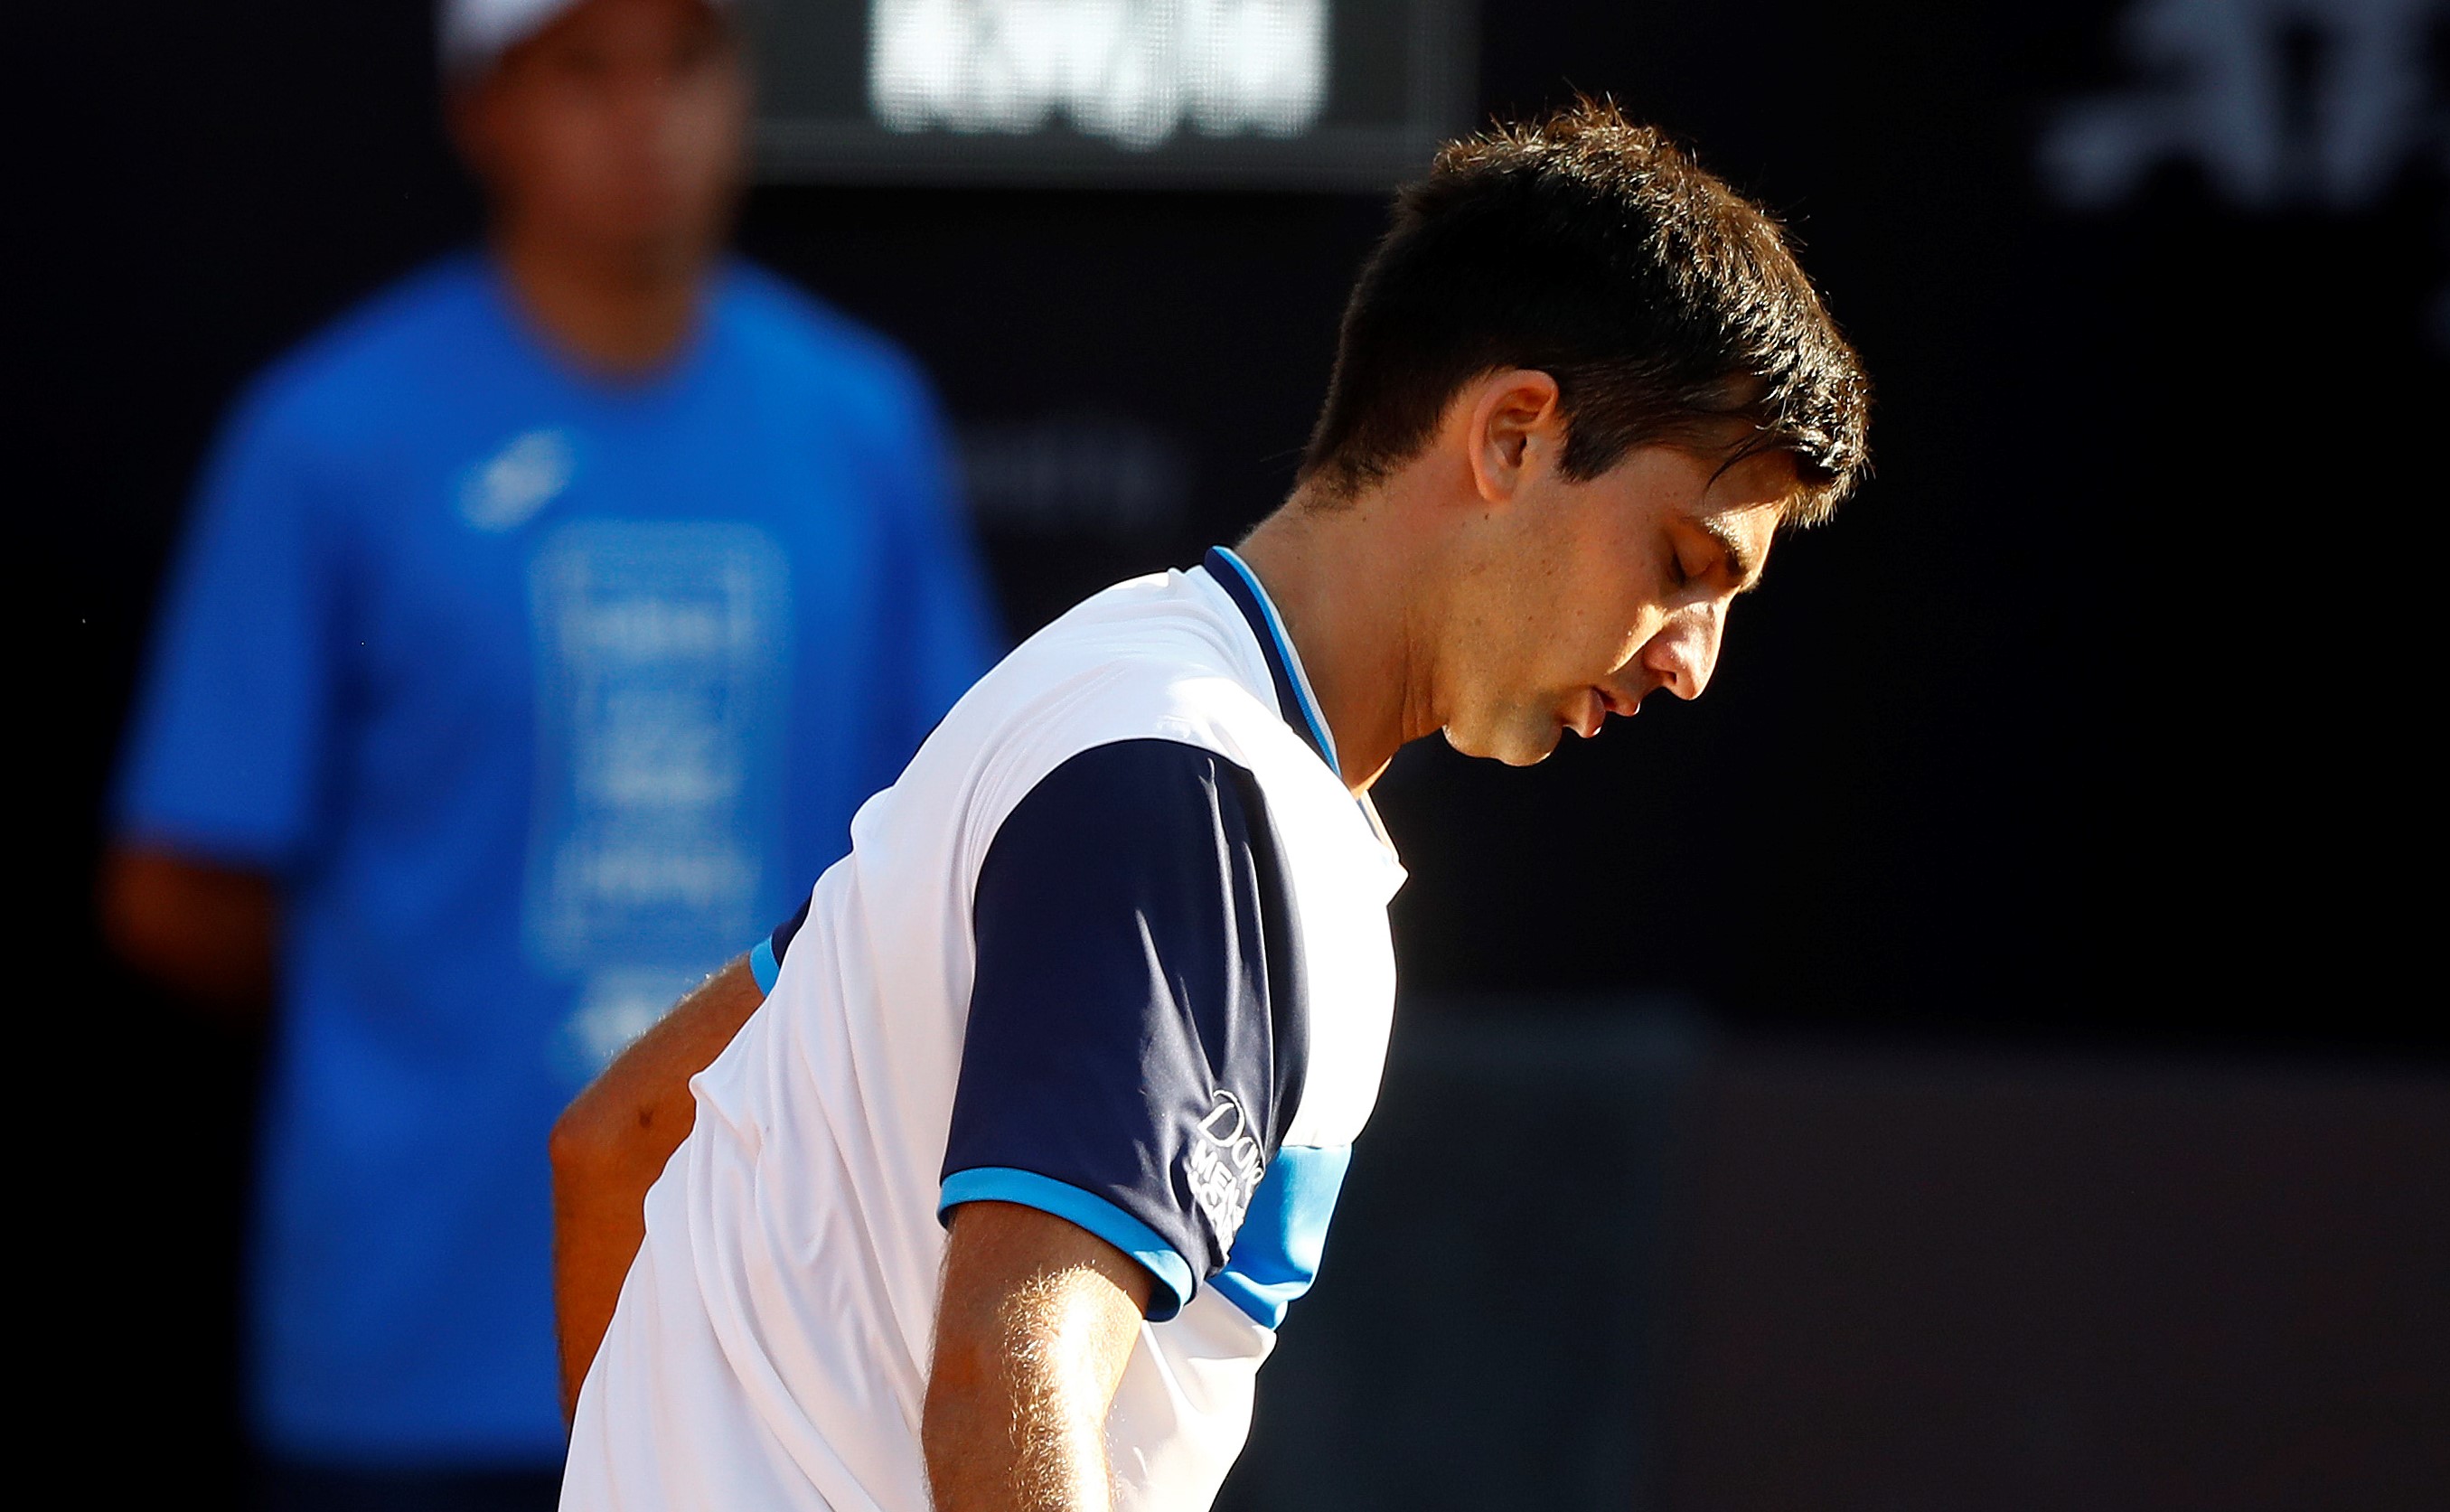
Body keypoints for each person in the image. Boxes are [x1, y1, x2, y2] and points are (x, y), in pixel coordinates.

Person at [552, 103, 1871, 1512]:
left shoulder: (1096, 688)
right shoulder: (1200, 786)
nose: (1688, 658)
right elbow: (1007, 1405)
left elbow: (623, 1137)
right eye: (1681, 561)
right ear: (1509, 435)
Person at [102, 0, 1000, 1504]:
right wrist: (412, 1009)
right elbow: (179, 887)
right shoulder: (326, 436)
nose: (644, 114)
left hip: (767, 1339)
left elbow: (961, 855)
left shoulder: (858, 425)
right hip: (414, 1356)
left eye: (687, 61)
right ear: (484, 111)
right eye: (585, 67)